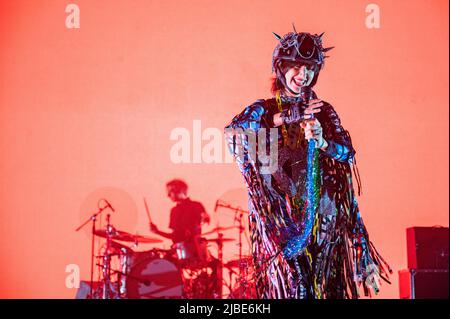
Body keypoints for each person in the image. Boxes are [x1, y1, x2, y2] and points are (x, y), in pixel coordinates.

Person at [224, 28, 391, 299]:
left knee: (328, 288)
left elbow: (347, 153)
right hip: (284, 217)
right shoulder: (265, 109)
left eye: (310, 69)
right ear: (281, 68)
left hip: (325, 214)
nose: (304, 75)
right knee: (296, 287)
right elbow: (234, 131)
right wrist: (287, 116)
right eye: (297, 67)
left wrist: (324, 142)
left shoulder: (324, 110)